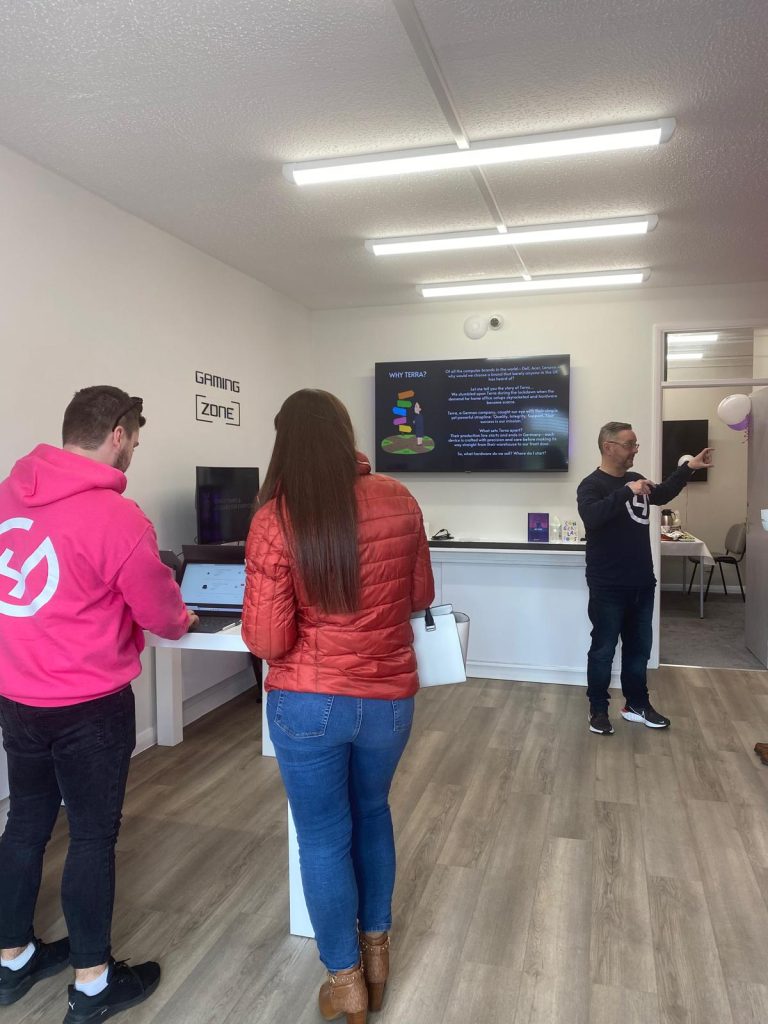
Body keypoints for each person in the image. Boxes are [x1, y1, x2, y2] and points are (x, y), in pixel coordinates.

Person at [0, 386, 197, 1022]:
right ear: (117, 432)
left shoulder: (7, 496)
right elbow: (165, 618)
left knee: (26, 823)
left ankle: (12, 960)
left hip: (17, 697)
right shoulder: (118, 518)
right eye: (135, 436)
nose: (136, 448)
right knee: (90, 836)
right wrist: (184, 611)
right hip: (88, 706)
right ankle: (91, 986)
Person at [242, 389, 433, 1024]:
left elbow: (268, 640)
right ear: (345, 434)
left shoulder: (276, 516)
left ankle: (345, 982)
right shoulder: (398, 498)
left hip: (307, 703)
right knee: (372, 812)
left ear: (284, 442)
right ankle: (378, 956)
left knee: (323, 837)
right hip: (388, 700)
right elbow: (418, 595)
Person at [577, 421, 713, 736]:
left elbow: (663, 493)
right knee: (603, 649)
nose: (636, 449)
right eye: (630, 444)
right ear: (609, 447)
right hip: (607, 585)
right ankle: (598, 708)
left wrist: (689, 468)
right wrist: (626, 491)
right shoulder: (591, 485)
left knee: (639, 649)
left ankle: (636, 704)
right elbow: (592, 518)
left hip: (642, 582)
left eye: (636, 444)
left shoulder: (637, 480)